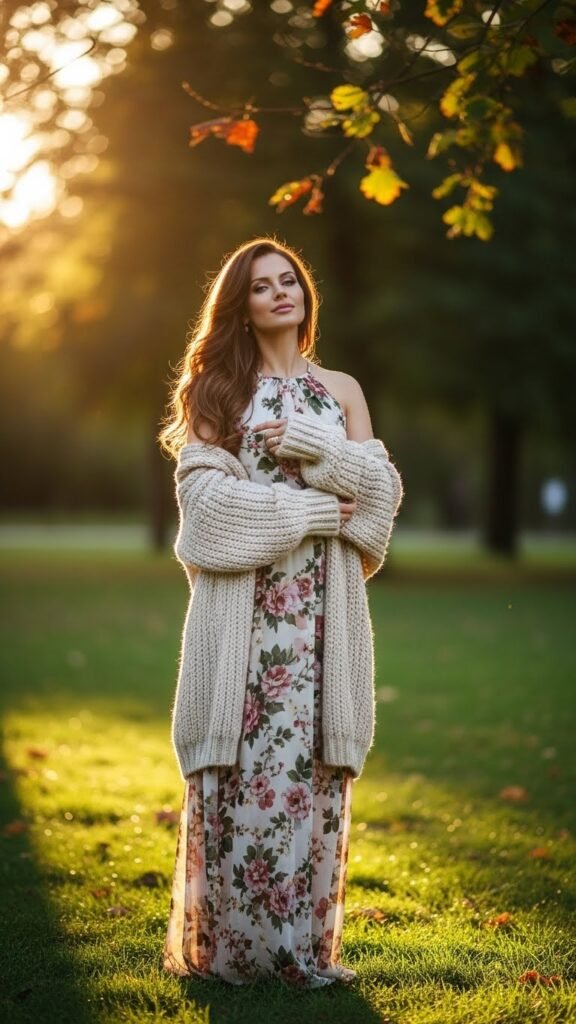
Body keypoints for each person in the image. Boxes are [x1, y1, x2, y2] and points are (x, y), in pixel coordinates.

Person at [157, 236, 404, 987]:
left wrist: (307, 442)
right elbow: (206, 513)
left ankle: (303, 950)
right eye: (262, 286)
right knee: (250, 773)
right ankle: (242, 954)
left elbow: (379, 504)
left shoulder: (342, 390)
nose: (280, 292)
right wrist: (313, 513)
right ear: (242, 306)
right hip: (248, 620)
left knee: (311, 773)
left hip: (325, 618)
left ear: (304, 295)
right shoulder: (219, 393)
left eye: (288, 279)